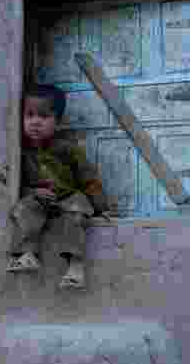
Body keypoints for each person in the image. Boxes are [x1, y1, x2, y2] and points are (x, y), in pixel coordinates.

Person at [7, 83, 112, 290]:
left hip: (69, 197)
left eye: (43, 117)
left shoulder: (67, 149)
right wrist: (33, 192)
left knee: (76, 213)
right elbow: (20, 183)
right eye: (29, 115)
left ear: (58, 122)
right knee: (23, 208)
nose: (35, 122)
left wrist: (102, 206)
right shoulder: (22, 152)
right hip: (42, 201)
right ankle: (28, 255)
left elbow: (88, 178)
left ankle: (75, 267)